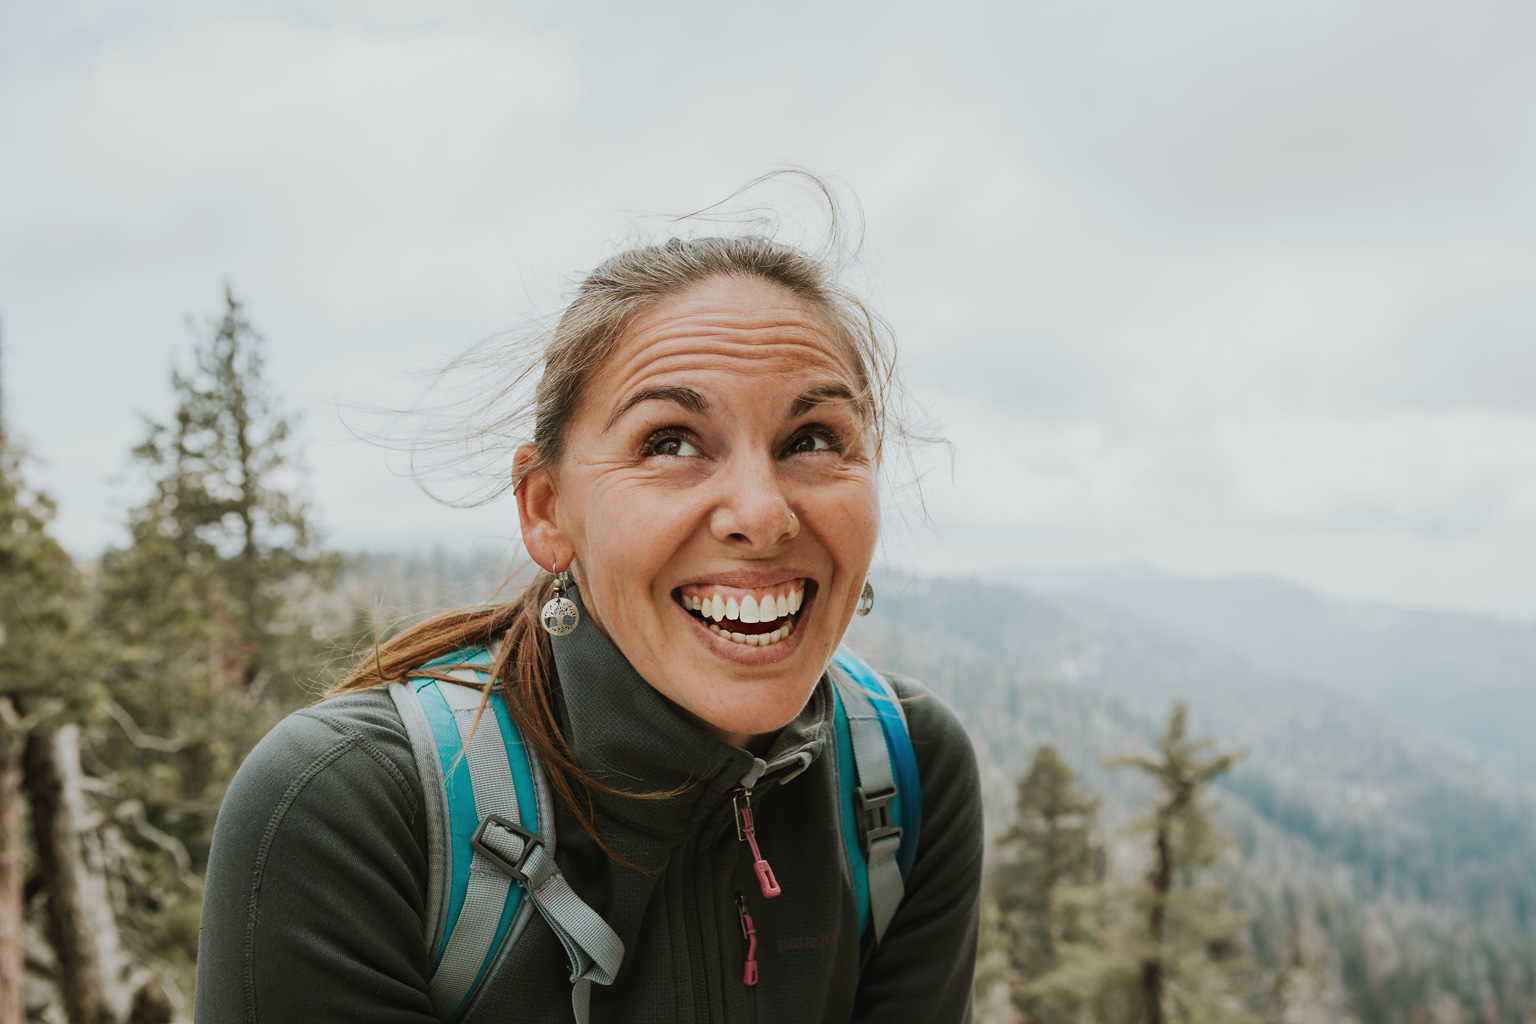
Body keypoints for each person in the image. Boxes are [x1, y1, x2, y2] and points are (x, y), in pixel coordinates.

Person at [193, 229, 983, 1022]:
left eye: (812, 440)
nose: (763, 514)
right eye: (671, 443)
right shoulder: (353, 812)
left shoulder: (901, 778)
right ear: (546, 509)